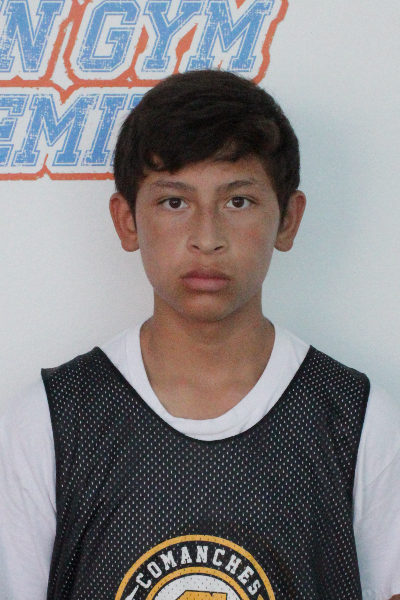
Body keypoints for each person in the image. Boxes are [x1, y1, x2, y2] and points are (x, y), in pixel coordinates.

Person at [0, 69, 399, 600]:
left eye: (238, 202)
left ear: (288, 219)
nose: (206, 238)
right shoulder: (50, 421)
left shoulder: (359, 421)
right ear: (127, 220)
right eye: (174, 202)